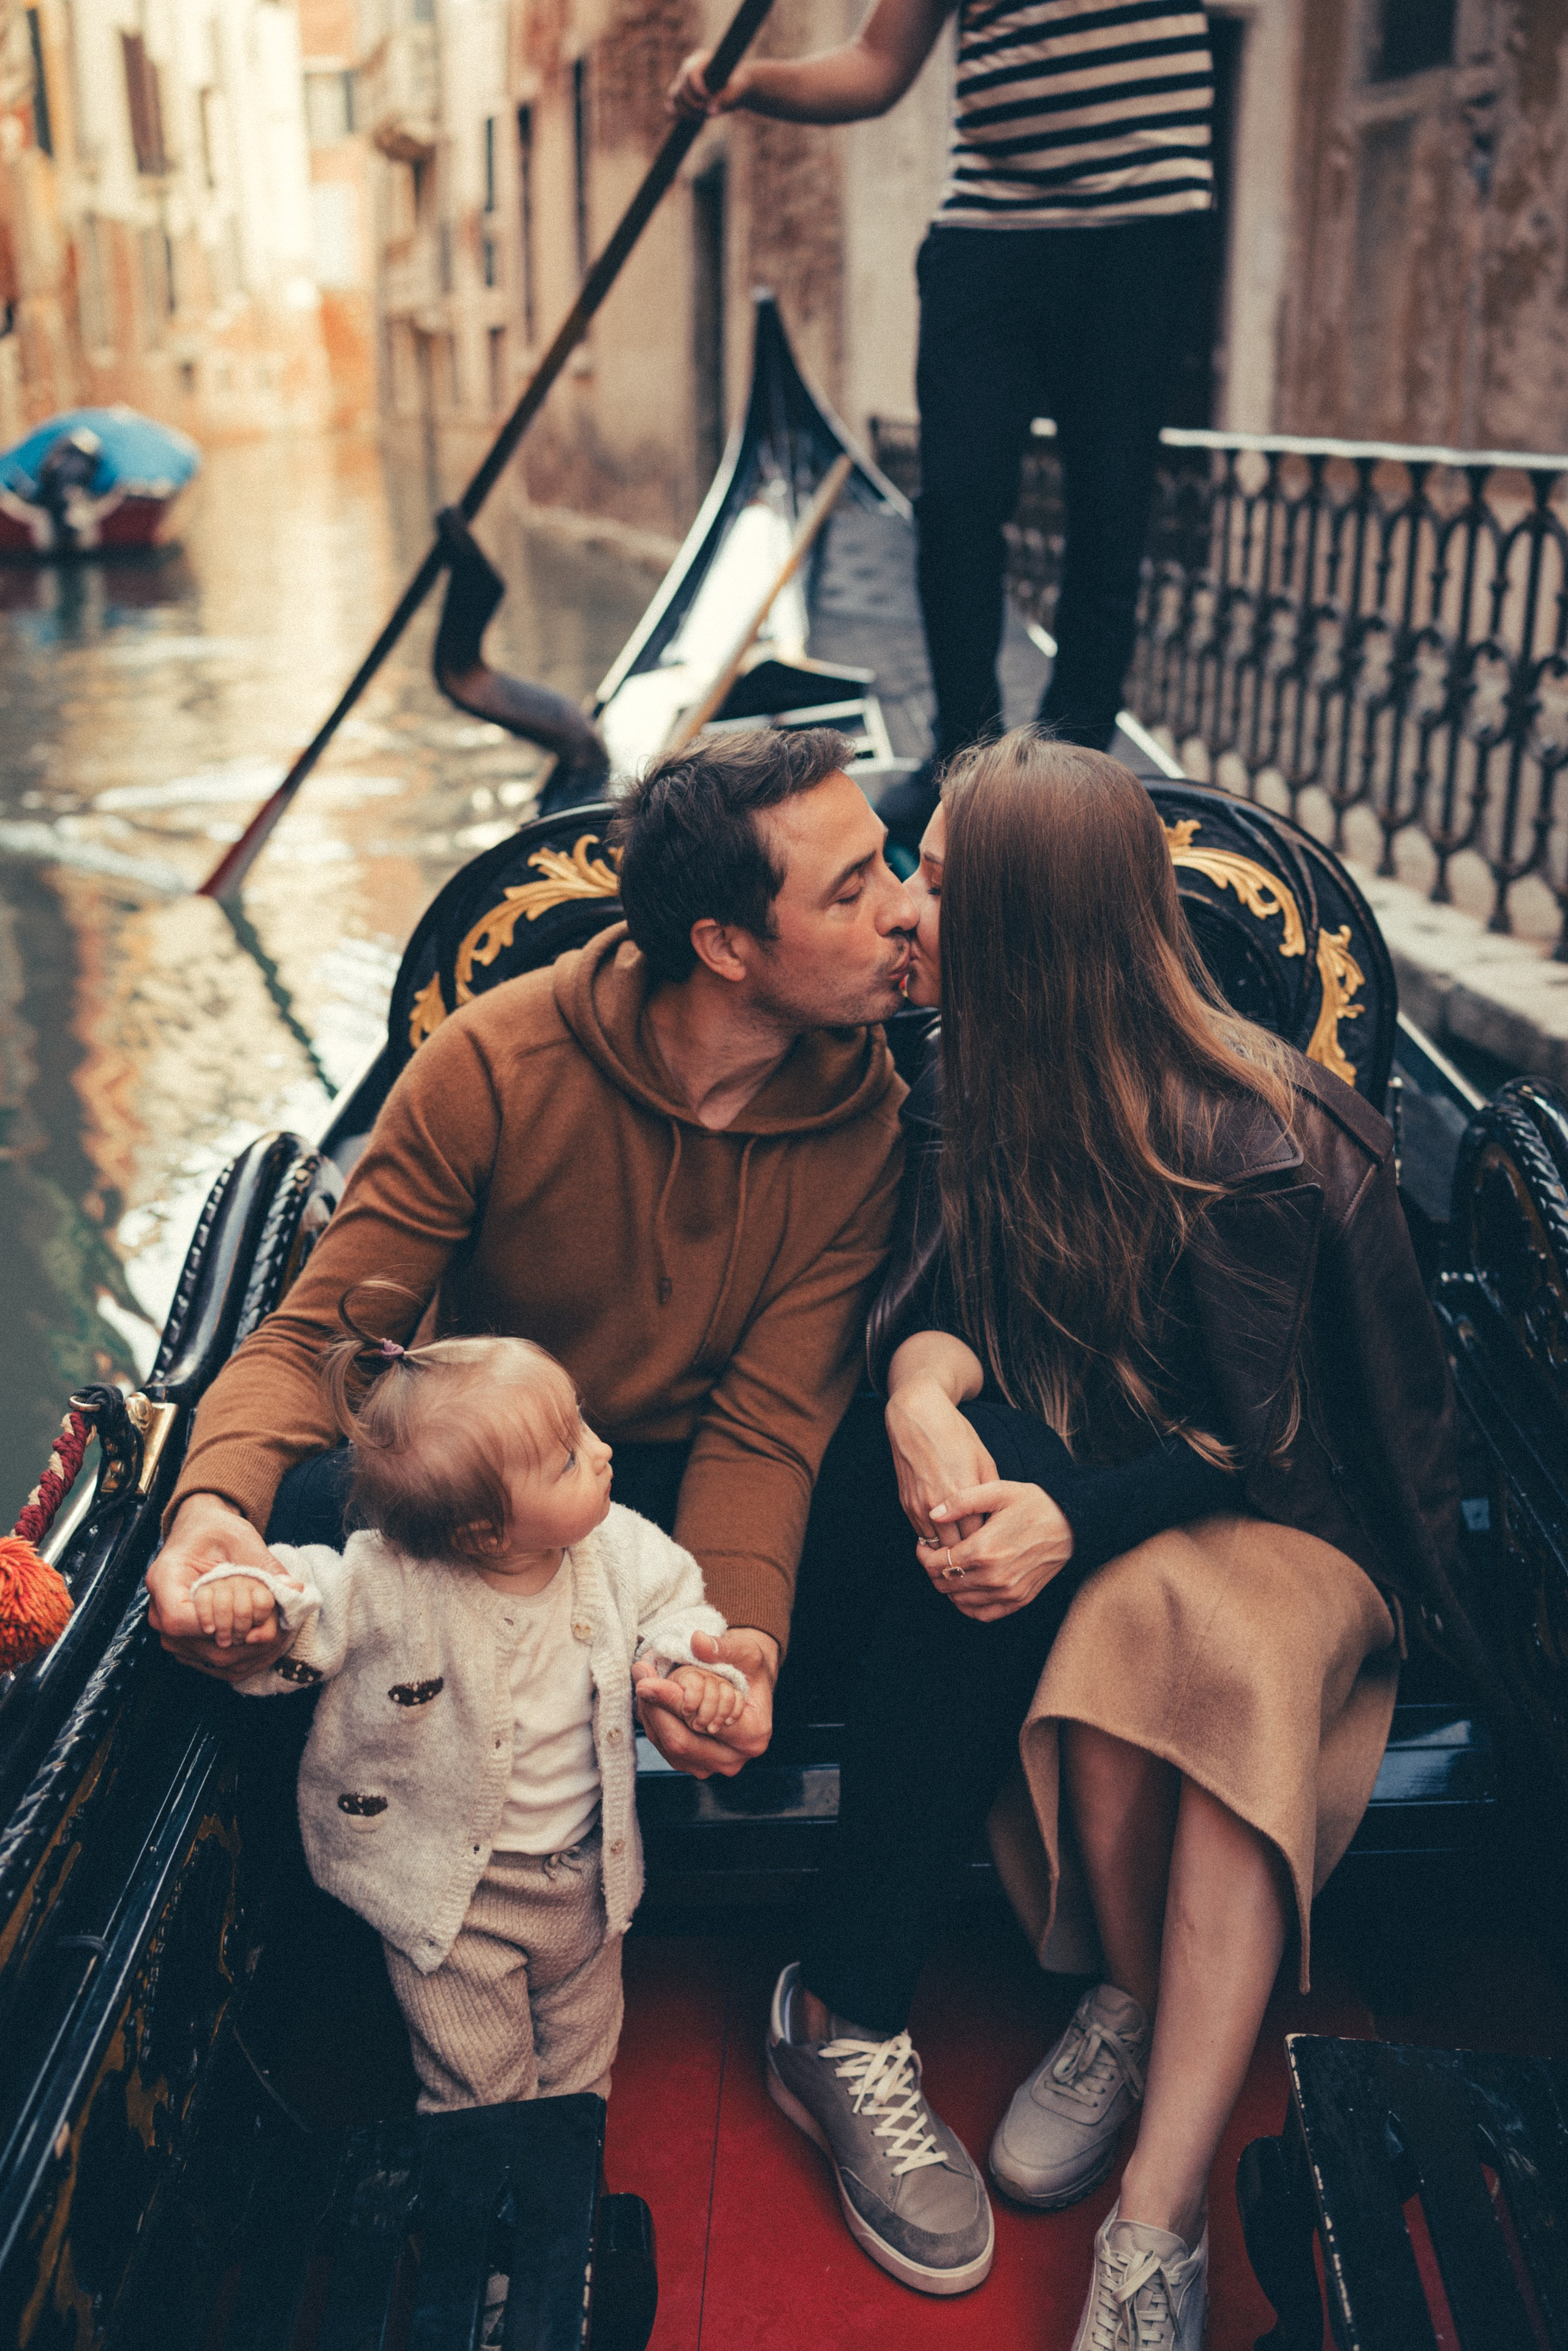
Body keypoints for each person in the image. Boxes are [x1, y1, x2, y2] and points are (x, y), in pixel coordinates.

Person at [763, 731, 1466, 2347]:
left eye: (929, 879)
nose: (903, 912)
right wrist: (926, 1392)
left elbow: (1269, 1436)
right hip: (1152, 1498)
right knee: (1117, 1600)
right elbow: (937, 1307)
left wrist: (1071, 1506)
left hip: (1299, 1519)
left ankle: (1156, 2215)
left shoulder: (1254, 1133)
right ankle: (1130, 1999)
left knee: (1210, 1639)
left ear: (1014, 921)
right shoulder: (979, 1074)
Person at [145, 726, 916, 1778]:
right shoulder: (493, 1065)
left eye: (892, 862)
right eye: (853, 889)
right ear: (727, 947)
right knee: (312, 1510)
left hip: (683, 1483)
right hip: (493, 1481)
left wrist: (725, 1652)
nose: (905, 905)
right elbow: (323, 1340)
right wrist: (213, 1506)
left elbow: (767, 1425)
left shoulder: (869, 1129)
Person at [190, 1298, 748, 2113]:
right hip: (455, 1902)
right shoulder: (392, 1580)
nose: (601, 1451)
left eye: (583, 1428)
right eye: (566, 1458)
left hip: (587, 1883)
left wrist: (692, 1665)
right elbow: (309, 1595)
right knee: (478, 2086)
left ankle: (561, 2192)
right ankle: (476, 2214)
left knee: (585, 2064)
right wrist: (251, 1597)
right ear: (487, 1533)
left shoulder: (620, 1546)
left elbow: (678, 1609)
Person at [670, 4, 1215, 832]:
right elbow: (876, 66)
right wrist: (749, 81)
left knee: (1111, 507)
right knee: (956, 506)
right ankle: (964, 756)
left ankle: (1075, 771)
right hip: (988, 234)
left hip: (1144, 238)